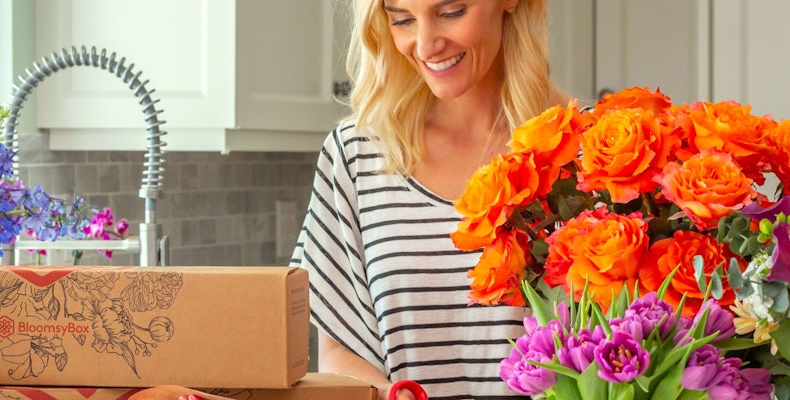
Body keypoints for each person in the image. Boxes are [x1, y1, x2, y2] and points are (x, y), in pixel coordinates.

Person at [133, 0, 565, 399]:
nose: (426, 43)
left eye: (451, 11)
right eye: (402, 19)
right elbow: (339, 348)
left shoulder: (588, 152)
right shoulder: (358, 154)